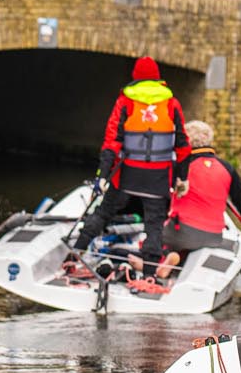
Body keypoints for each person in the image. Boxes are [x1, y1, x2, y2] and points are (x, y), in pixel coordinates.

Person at [71, 56, 187, 269]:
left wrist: (102, 176)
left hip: (127, 175)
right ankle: (150, 273)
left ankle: (75, 254)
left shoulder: (125, 101)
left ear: (135, 77)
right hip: (158, 177)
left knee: (103, 213)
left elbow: (111, 142)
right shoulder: (172, 103)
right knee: (154, 225)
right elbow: (182, 144)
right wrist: (183, 178)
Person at [150, 120, 241, 278]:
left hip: (180, 234)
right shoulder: (227, 168)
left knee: (153, 233)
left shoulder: (181, 166)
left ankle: (164, 257)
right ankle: (177, 257)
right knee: (189, 238)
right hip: (214, 237)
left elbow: (159, 194)